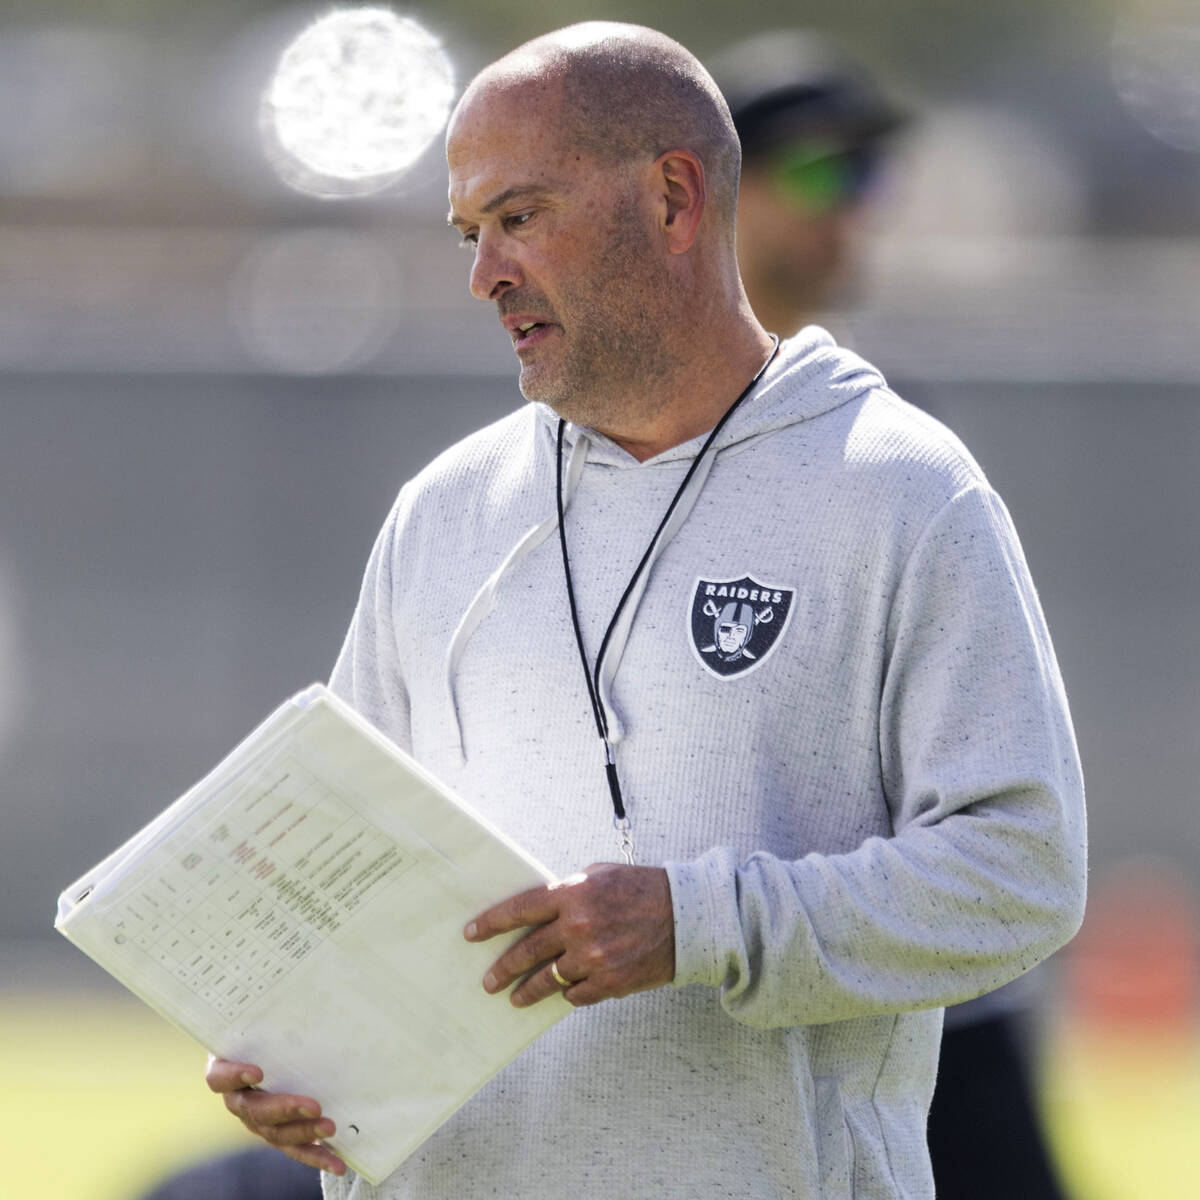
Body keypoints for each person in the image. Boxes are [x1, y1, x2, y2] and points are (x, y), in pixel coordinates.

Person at [205, 22, 1087, 1199]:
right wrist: (297, 1049)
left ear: (673, 196)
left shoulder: (902, 491)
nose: (485, 274)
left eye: (520, 217)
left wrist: (700, 924)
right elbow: (351, 881)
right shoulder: (443, 513)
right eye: (472, 234)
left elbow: (1020, 872)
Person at [714, 33, 1076, 1200]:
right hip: (727, 1014)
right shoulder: (606, 449)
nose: (853, 211)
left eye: (870, 180)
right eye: (823, 174)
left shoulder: (895, 434)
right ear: (706, 195)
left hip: (919, 986)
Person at [711, 30, 908, 336]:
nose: (843, 208)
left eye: (864, 171)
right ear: (724, 186)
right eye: (814, 173)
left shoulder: (860, 378)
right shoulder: (639, 376)